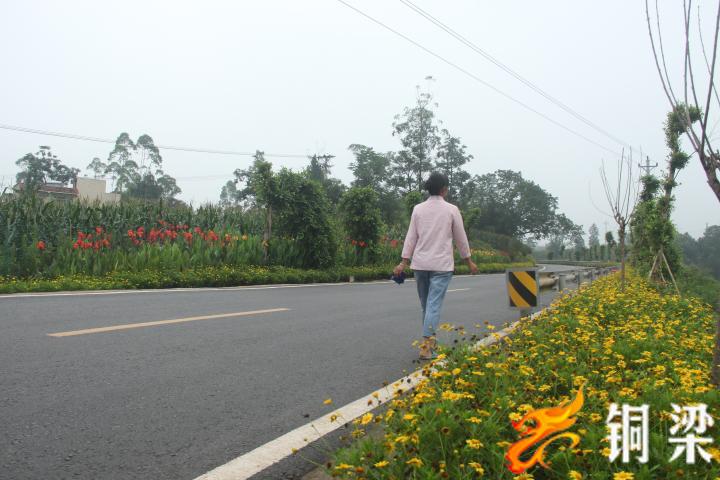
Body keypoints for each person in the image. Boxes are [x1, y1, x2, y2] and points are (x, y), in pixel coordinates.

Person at [394, 172, 478, 360]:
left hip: (420, 265)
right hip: (441, 265)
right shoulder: (451, 210)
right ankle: (426, 347)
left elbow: (411, 237)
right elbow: (460, 238)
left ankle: (430, 343)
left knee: (427, 306)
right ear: (444, 189)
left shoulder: (418, 209)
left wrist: (403, 262)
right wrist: (468, 260)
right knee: (432, 306)